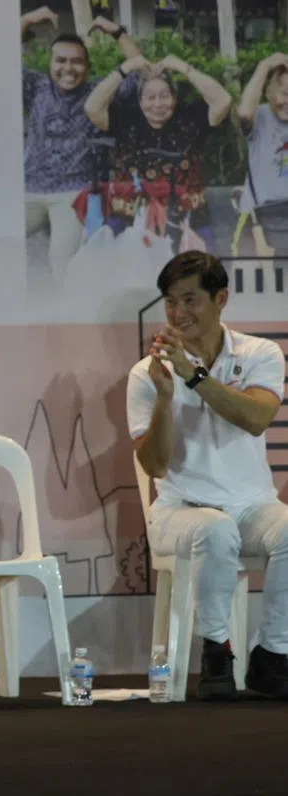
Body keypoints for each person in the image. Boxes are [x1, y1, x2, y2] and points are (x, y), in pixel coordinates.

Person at [128, 251, 288, 700]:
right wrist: (164, 397)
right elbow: (155, 466)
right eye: (170, 302)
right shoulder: (146, 374)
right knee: (216, 530)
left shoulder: (261, 354)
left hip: (254, 506)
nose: (178, 315)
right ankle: (217, 651)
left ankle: (273, 656)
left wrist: (195, 376)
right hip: (181, 511)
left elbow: (256, 417)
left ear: (220, 299)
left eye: (190, 300)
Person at [21, 7, 141, 282]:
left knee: (62, 262)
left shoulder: (97, 92)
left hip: (73, 194)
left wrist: (117, 32)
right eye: (61, 60)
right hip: (28, 188)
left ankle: (64, 317)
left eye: (76, 62)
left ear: (87, 67)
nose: (68, 68)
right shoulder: (36, 87)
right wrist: (27, 20)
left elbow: (140, 74)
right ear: (50, 63)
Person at [84, 54, 232, 247]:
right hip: (129, 220)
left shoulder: (190, 118)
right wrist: (124, 70)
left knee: (199, 272)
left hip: (187, 219)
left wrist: (184, 68)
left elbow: (223, 100)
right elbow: (92, 107)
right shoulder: (126, 119)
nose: (158, 104)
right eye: (150, 97)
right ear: (140, 101)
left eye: (164, 96)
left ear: (174, 97)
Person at [237, 51, 288, 253]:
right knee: (259, 282)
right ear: (271, 91)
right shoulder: (261, 116)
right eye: (285, 93)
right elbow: (244, 112)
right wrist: (264, 66)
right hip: (258, 219)